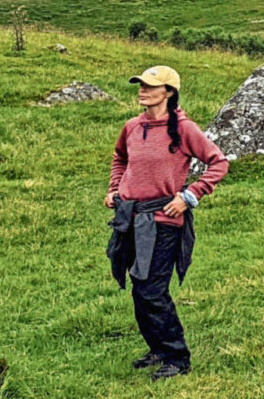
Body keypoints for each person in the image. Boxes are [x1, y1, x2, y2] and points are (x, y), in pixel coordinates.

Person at [105, 65, 229, 381]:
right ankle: (158, 349)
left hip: (163, 219)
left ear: (169, 92)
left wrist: (188, 196)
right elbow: (120, 159)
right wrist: (114, 189)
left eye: (150, 86)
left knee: (152, 289)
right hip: (131, 217)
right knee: (139, 287)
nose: (142, 90)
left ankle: (177, 357)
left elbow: (218, 162)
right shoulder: (132, 126)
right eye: (141, 84)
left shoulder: (184, 129)